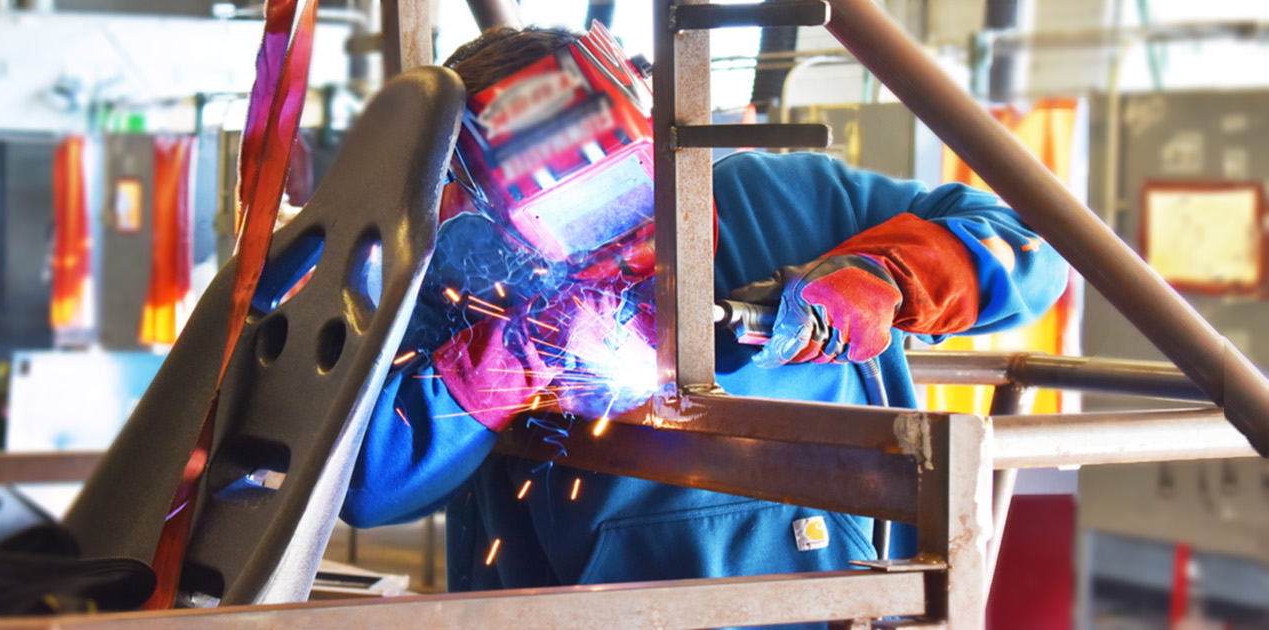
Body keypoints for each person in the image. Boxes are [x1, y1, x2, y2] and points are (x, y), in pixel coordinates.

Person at [340, 24, 1069, 597]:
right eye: (572, 216)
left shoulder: (786, 201)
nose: (620, 240)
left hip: (847, 602)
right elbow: (371, 488)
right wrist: (520, 354)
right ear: (498, 211)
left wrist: (889, 277)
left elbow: (1035, 244)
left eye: (625, 190)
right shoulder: (475, 284)